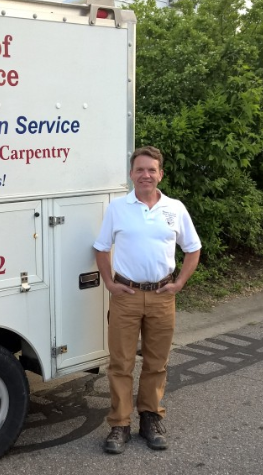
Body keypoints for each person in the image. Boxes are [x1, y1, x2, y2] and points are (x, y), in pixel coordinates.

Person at [93, 146, 202, 454]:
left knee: (156, 363)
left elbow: (193, 249)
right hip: (126, 297)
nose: (145, 175)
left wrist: (179, 282)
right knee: (121, 363)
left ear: (160, 174)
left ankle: (150, 419)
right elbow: (101, 248)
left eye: (151, 170)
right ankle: (120, 425)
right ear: (131, 174)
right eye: (140, 169)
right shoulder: (118, 208)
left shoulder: (175, 208)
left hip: (161, 297)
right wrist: (110, 284)